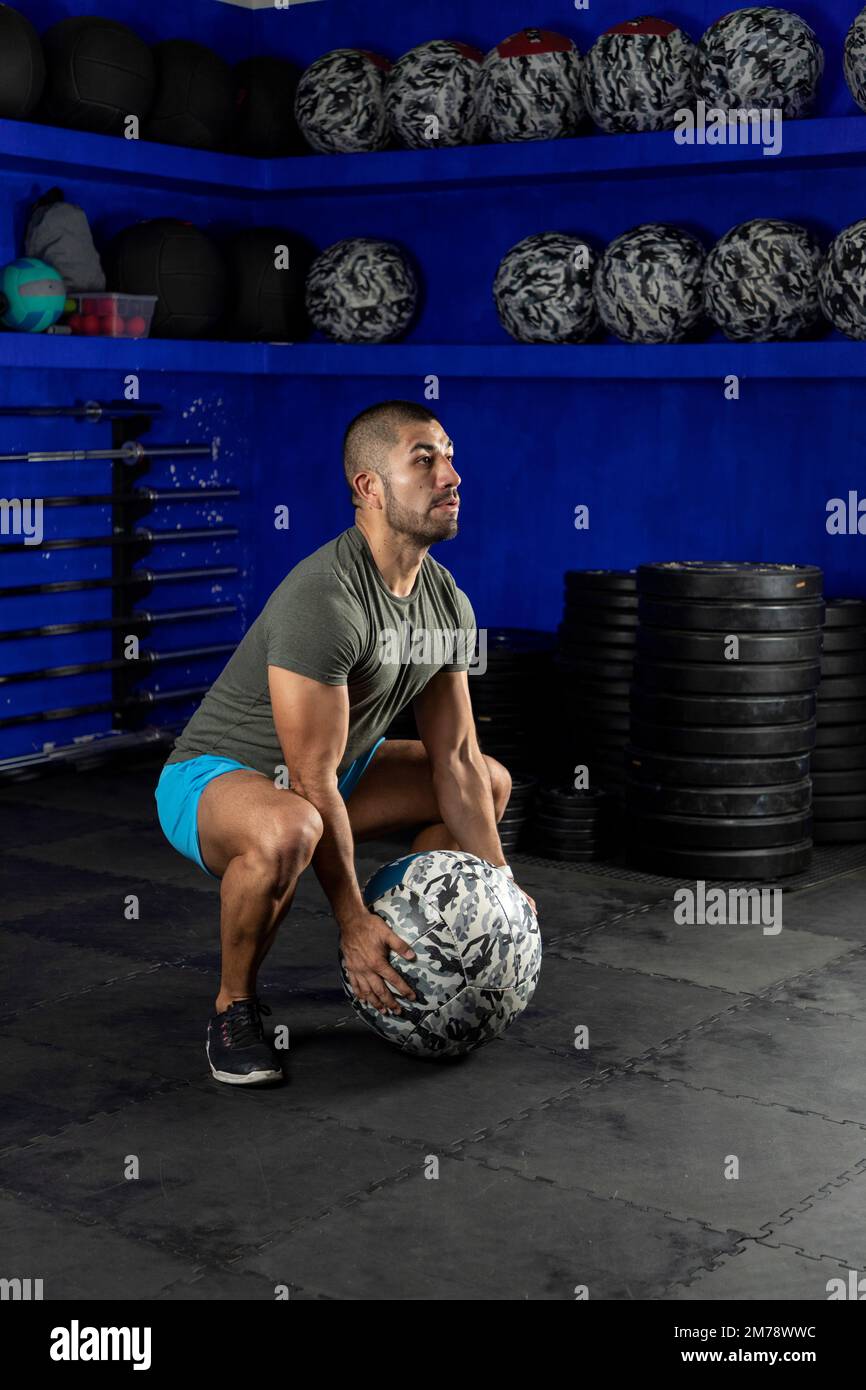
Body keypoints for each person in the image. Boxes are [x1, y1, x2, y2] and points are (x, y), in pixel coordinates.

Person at [155, 399, 536, 1085]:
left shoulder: (447, 601)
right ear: (368, 488)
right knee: (289, 829)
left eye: (450, 456)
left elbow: (453, 757)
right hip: (215, 778)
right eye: (424, 460)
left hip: (333, 776)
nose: (450, 475)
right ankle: (233, 1006)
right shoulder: (324, 600)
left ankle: (414, 942)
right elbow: (308, 778)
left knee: (491, 780)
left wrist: (501, 885)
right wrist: (350, 921)